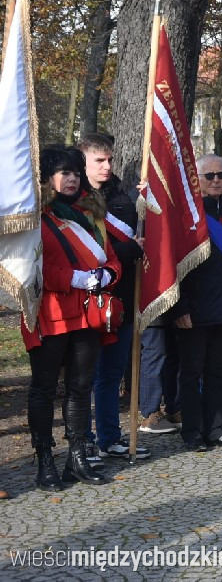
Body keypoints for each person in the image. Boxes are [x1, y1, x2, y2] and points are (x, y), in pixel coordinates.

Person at [25, 145, 122, 490]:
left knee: (80, 387)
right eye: (64, 172)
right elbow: (31, 268)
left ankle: (77, 457)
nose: (71, 179)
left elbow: (110, 257)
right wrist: (75, 278)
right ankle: (45, 461)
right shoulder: (34, 215)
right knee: (44, 388)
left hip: (86, 314)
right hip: (51, 312)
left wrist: (108, 275)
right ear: (49, 177)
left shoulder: (89, 212)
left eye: (75, 173)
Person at [75, 134, 151, 461]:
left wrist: (150, 203)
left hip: (121, 301)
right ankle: (85, 440)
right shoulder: (74, 200)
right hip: (89, 303)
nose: (106, 167)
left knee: (110, 376)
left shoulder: (125, 196)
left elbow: (144, 241)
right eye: (99, 161)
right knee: (85, 378)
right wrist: (129, 249)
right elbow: (87, 255)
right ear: (83, 163)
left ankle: (109, 437)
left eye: (109, 160)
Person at [170, 154, 222, 451]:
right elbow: (174, 266)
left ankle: (217, 429)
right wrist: (180, 307)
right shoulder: (187, 216)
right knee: (191, 374)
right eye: (210, 176)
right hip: (196, 308)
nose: (217, 181)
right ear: (196, 179)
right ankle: (192, 431)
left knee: (219, 373)